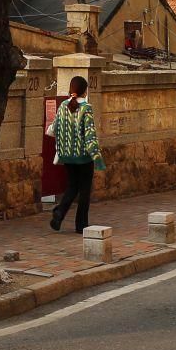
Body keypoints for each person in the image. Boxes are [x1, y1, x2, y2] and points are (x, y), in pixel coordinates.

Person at [48, 76, 103, 233]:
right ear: (85, 91)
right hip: (83, 156)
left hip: (67, 155)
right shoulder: (86, 108)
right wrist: (97, 157)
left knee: (72, 186)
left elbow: (55, 127)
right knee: (85, 189)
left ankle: (59, 213)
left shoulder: (63, 105)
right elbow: (90, 135)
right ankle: (81, 224)